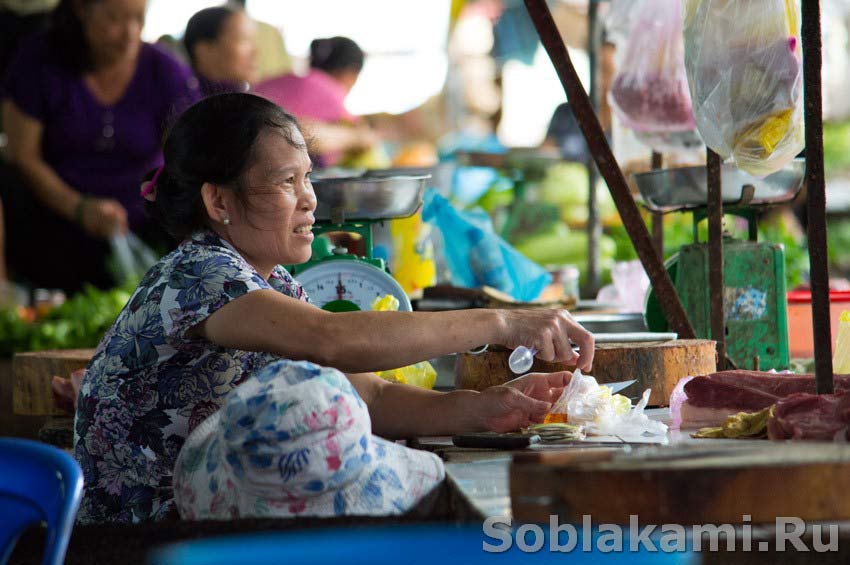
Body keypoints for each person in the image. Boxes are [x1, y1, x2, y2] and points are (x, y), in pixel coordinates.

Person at [72, 92, 594, 524]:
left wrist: (479, 408)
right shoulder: (201, 274)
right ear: (219, 203)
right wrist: (502, 321)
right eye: (285, 181)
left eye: (306, 178)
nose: (310, 200)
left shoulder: (269, 279)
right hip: (138, 537)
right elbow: (333, 339)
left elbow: (360, 389)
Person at [0, 0, 200, 293]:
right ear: (81, 9)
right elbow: (23, 155)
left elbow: (192, 155)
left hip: (144, 222)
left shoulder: (165, 71)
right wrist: (79, 208)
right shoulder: (40, 61)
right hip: (51, 220)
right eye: (115, 19)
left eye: (138, 18)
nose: (129, 33)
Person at [254, 36, 377, 167]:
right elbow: (363, 135)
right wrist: (356, 137)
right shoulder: (330, 90)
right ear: (350, 73)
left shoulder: (278, 80)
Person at [183, 4, 258, 96]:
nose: (255, 51)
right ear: (204, 51)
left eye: (252, 40)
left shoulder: (248, 102)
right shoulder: (185, 105)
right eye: (243, 40)